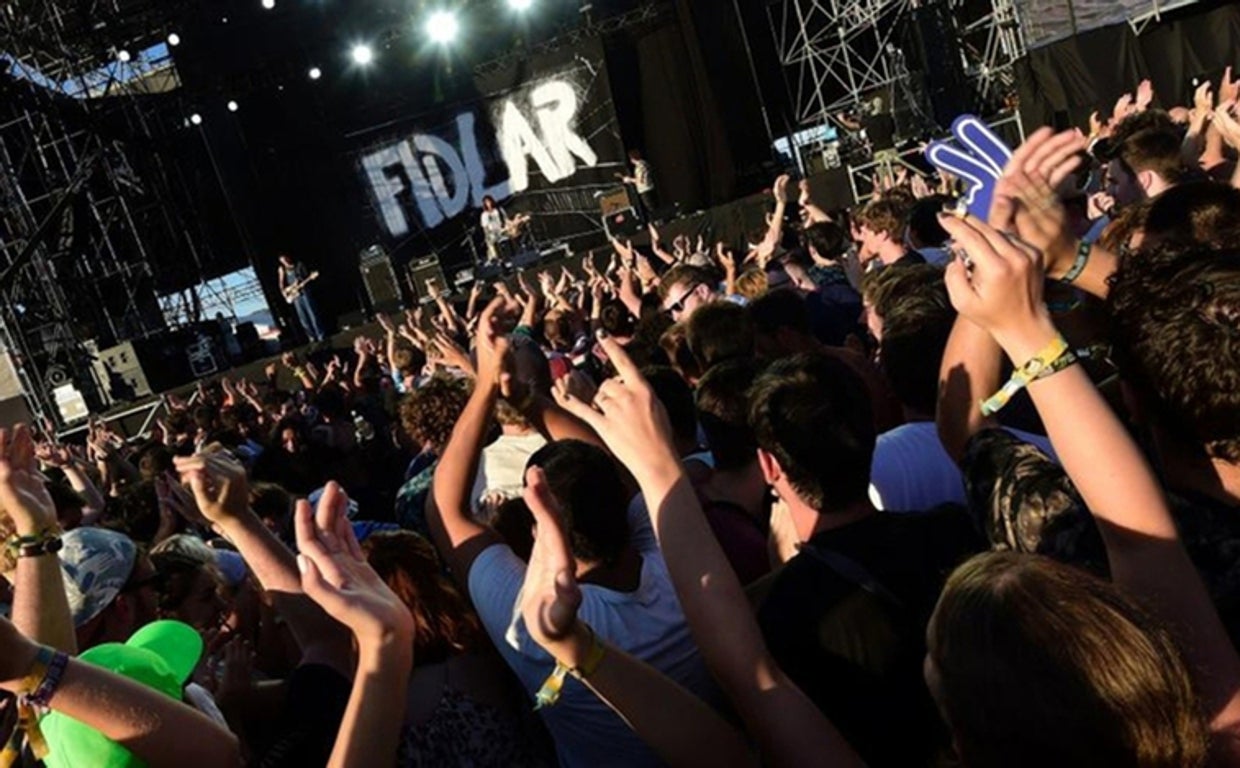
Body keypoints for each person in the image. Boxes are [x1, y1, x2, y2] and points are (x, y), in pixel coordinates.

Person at [277, 254, 324, 343]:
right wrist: (285, 292)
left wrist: (308, 279)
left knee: (312, 313)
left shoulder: (298, 265)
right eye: (283, 261)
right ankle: (311, 337)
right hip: (295, 295)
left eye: (286, 259)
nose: (285, 262)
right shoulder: (282, 270)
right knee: (303, 318)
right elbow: (281, 284)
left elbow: (306, 277)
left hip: (304, 292)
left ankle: (320, 335)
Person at [620, 149, 657, 223]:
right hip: (649, 187)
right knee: (652, 206)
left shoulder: (640, 166)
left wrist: (629, 179)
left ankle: (657, 221)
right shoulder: (644, 163)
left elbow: (640, 180)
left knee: (651, 208)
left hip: (645, 189)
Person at [480, 195, 509, 265]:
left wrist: (506, 227)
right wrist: (488, 235)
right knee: (491, 241)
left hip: (502, 230)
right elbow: (485, 227)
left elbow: (506, 219)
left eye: (489, 201)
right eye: (486, 202)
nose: (489, 203)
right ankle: (495, 258)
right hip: (492, 233)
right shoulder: (484, 215)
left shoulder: (498, 210)